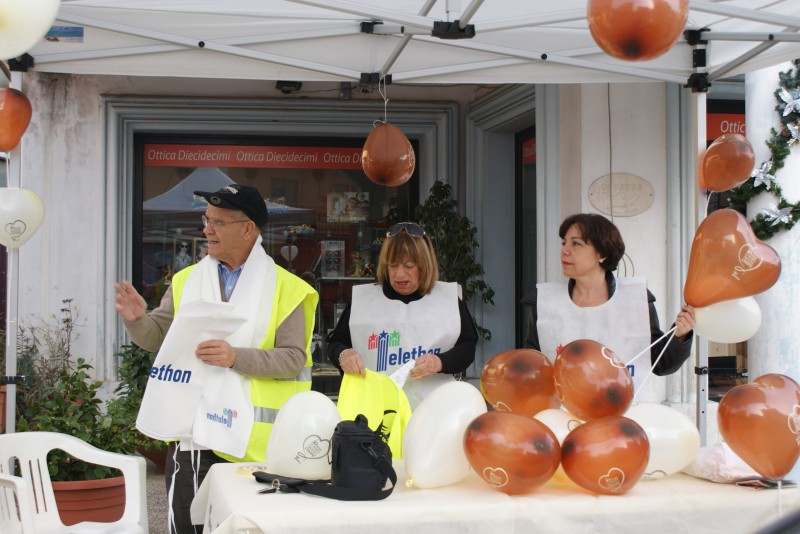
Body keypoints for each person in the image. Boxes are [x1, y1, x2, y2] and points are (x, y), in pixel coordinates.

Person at [114, 184, 317, 534]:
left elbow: (292, 360)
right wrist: (137, 320)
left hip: (256, 446)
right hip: (193, 436)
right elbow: (156, 337)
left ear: (248, 229)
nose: (207, 229)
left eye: (218, 222)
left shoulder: (289, 288)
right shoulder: (186, 280)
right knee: (186, 527)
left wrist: (235, 357)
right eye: (206, 220)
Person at [525, 213, 695, 399]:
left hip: (626, 412)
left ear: (602, 254)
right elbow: (533, 366)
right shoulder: (545, 301)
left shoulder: (634, 298)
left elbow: (660, 363)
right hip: (562, 412)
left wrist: (679, 336)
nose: (564, 251)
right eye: (564, 243)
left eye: (576, 244)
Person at [326, 221, 478, 409]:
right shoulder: (364, 300)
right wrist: (344, 355)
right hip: (376, 410)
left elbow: (468, 346)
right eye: (392, 265)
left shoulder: (447, 299)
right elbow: (336, 342)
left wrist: (440, 362)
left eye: (408, 265)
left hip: (433, 409)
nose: (399, 275)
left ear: (424, 265)